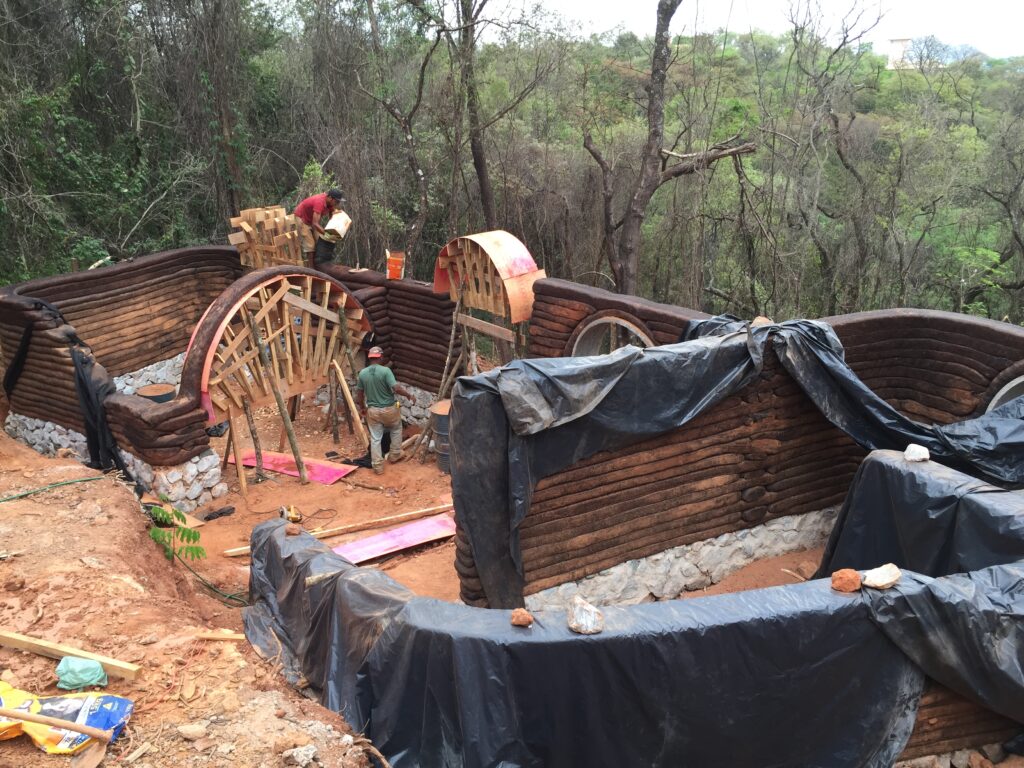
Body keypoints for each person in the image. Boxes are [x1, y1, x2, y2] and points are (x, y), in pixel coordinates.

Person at [354, 347, 410, 474]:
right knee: (396, 428)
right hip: (389, 409)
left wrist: (362, 408)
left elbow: (360, 394)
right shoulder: (386, 371)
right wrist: (408, 395)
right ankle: (394, 455)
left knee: (375, 438)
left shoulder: (362, 373)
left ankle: (378, 467)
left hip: (373, 411)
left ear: (369, 358)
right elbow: (396, 388)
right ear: (380, 357)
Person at [293, 188, 344, 267]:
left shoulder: (330, 203)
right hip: (302, 218)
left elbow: (331, 213)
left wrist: (333, 227)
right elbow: (315, 224)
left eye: (338, 202)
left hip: (312, 220)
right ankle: (312, 268)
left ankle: (320, 265)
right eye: (336, 201)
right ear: (330, 198)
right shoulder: (319, 202)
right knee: (310, 246)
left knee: (319, 240)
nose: (337, 203)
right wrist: (327, 234)